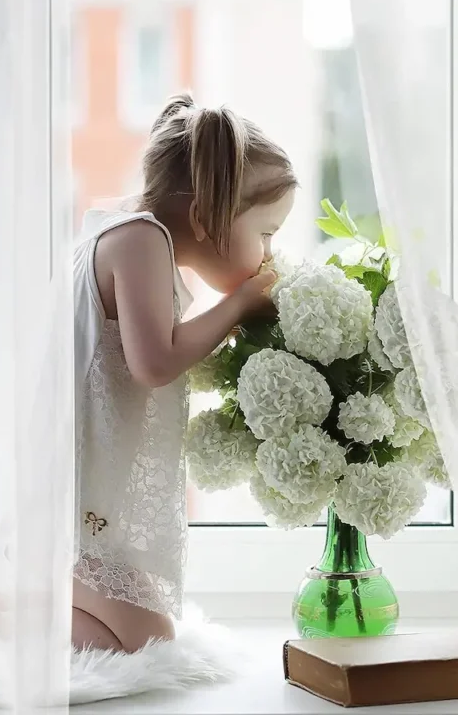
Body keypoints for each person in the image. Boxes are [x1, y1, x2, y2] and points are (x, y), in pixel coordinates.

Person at [72, 93, 296, 653]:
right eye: (265, 233)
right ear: (204, 216)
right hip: (66, 484)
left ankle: (16, 598)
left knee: (148, 631)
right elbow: (154, 363)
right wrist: (239, 304)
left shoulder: (129, 227)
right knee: (147, 641)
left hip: (82, 483)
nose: (269, 253)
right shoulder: (141, 239)